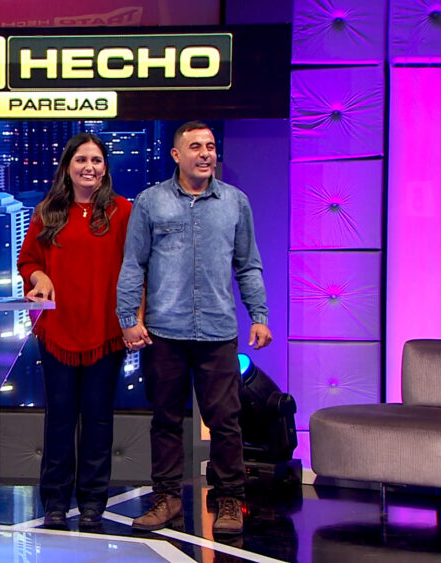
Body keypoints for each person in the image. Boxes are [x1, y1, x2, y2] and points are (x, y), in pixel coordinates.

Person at [116, 121, 271, 536]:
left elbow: (248, 265)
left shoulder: (235, 202)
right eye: (196, 147)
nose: (205, 154)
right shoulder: (151, 202)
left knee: (226, 421)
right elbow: (133, 264)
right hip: (164, 332)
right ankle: (166, 498)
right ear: (176, 155)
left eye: (211, 146)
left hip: (218, 331)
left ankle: (229, 500)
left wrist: (259, 315)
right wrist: (128, 319)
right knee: (165, 420)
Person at [18, 132, 132, 530]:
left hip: (106, 330)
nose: (89, 167)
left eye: (96, 160)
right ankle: (54, 501)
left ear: (105, 168)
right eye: (81, 159)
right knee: (60, 417)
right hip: (58, 330)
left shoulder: (121, 211)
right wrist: (40, 276)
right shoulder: (48, 211)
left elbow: (136, 266)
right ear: (68, 166)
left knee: (98, 418)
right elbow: (28, 260)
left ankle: (93, 501)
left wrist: (134, 318)